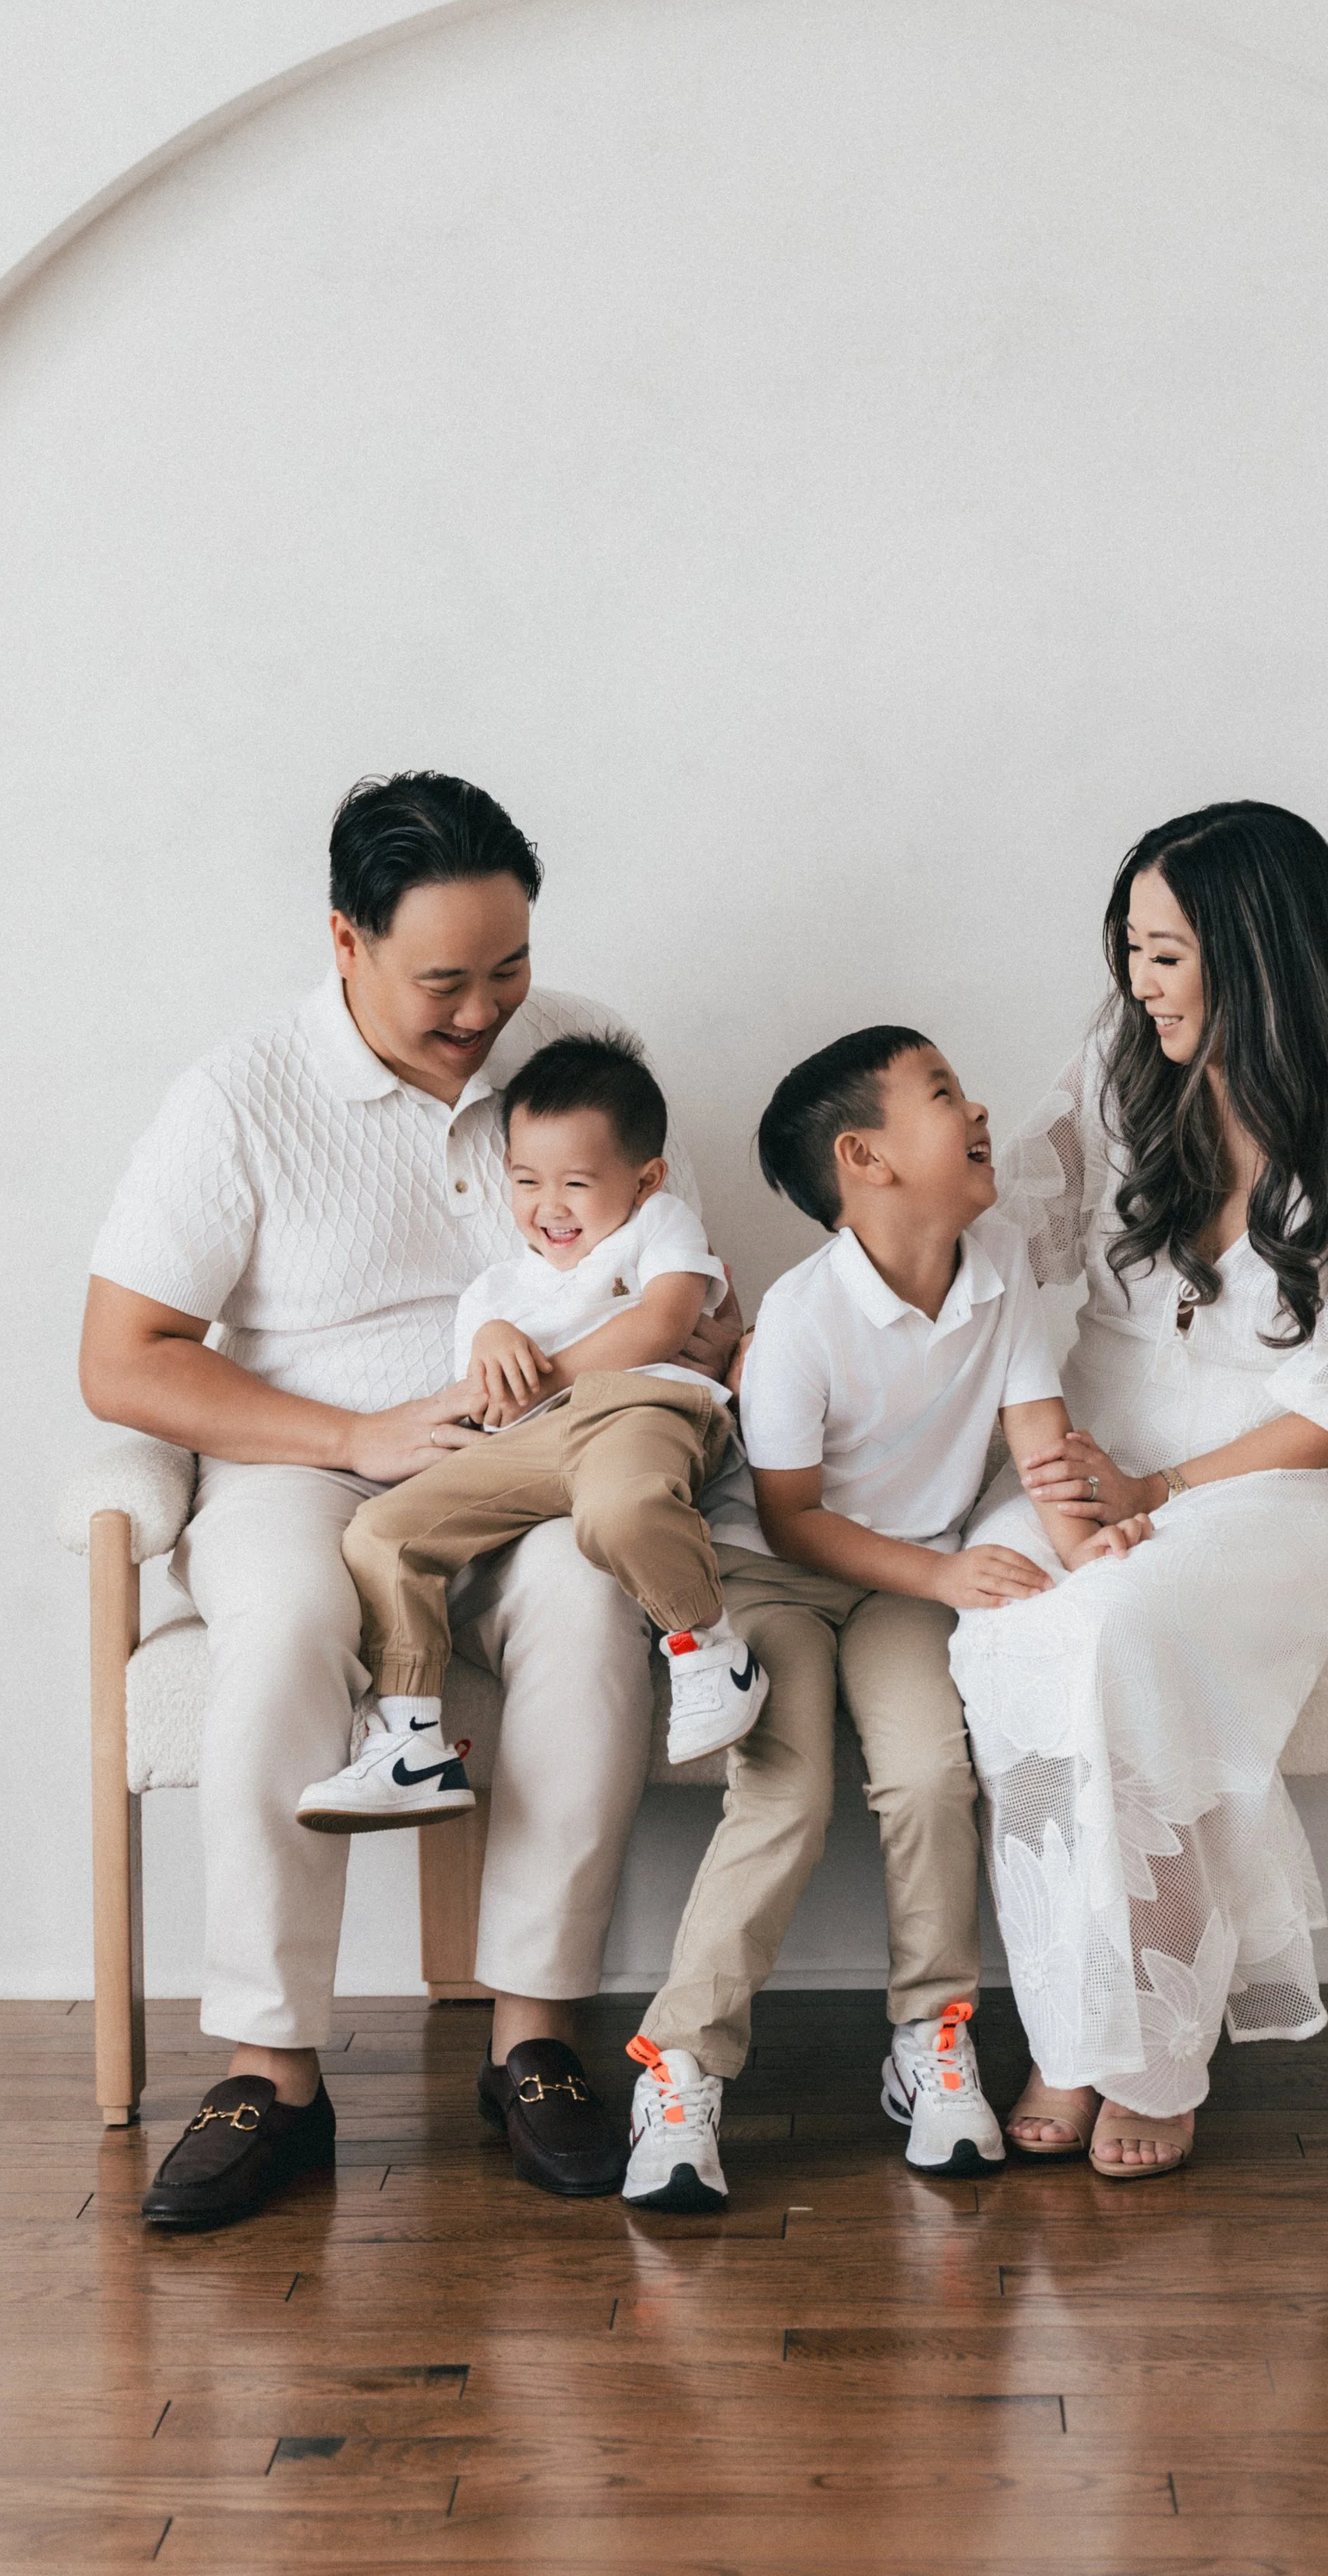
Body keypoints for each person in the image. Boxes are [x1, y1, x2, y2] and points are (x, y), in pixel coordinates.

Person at [77, 773, 740, 2228]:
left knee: (583, 1603)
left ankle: (536, 2039)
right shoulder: (240, 1097)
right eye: (445, 979)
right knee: (294, 1625)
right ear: (345, 941)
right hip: (303, 1468)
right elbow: (120, 1360)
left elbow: (664, 1261)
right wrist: (353, 1432)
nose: (485, 1009)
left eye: (508, 966)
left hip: (547, 1459)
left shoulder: (574, 1048)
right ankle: (272, 2070)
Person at [949, 800, 1328, 2180]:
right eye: (1132, 949)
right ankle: (1072, 2015)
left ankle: (1154, 2049)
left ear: (1260, 955)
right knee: (1008, 1615)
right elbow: (991, 1249)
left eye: (1167, 954)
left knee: (1121, 1631)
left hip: (1264, 1499)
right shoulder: (1118, 1086)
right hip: (1088, 1465)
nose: (1140, 984)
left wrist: (1156, 1487)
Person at [621, 1026, 1136, 2214]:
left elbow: (1038, 1440)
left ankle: (931, 2035)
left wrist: (1085, 1544)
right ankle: (682, 2065)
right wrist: (946, 1577)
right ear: (866, 1157)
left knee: (928, 1776)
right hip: (779, 1574)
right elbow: (794, 1519)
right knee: (787, 1791)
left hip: (910, 1585)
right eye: (946, 1091)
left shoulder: (997, 1260)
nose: (978, 1107)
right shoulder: (804, 1317)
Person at [296, 1031, 768, 1835]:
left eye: (577, 1183)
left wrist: (545, 1371)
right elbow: (493, 1403)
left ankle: (709, 1650)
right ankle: (410, 1741)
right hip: (539, 1445)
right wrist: (491, 1346)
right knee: (382, 1530)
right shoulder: (495, 1290)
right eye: (525, 1181)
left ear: (645, 1178)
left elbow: (663, 1323)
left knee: (618, 1510)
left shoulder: (659, 1225)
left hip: (641, 1410)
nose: (549, 1206)